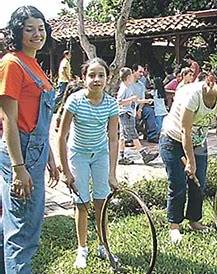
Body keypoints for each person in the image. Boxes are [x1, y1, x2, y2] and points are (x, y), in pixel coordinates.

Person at [0, 6, 60, 272]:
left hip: (35, 151)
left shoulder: (34, 63)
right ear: (18, 32)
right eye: (29, 29)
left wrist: (50, 156)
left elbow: (40, 121)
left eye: (41, 28)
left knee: (17, 225)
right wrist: (18, 168)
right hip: (19, 153)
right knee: (23, 232)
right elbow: (8, 120)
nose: (37, 34)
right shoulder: (12, 64)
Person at [159, 63, 217, 244]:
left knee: (198, 182)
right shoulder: (193, 96)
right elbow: (185, 130)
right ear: (211, 79)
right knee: (178, 183)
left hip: (197, 143)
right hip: (173, 139)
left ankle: (194, 220)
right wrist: (190, 162)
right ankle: (174, 225)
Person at [57, 58, 119, 269]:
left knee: (101, 202)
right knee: (81, 204)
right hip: (78, 155)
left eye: (101, 75)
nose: (96, 79)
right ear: (83, 78)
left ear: (107, 78)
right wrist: (65, 170)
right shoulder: (74, 100)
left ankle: (104, 246)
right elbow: (62, 136)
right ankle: (82, 249)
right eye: (91, 75)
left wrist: (112, 173)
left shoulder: (111, 103)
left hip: (100, 154)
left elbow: (113, 138)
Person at [116, 67, 158, 165]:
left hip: (128, 112)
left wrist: (146, 101)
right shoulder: (124, 88)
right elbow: (119, 101)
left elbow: (135, 100)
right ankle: (144, 155)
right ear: (128, 77)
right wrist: (131, 99)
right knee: (133, 134)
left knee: (123, 136)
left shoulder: (128, 87)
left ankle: (121, 156)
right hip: (125, 113)